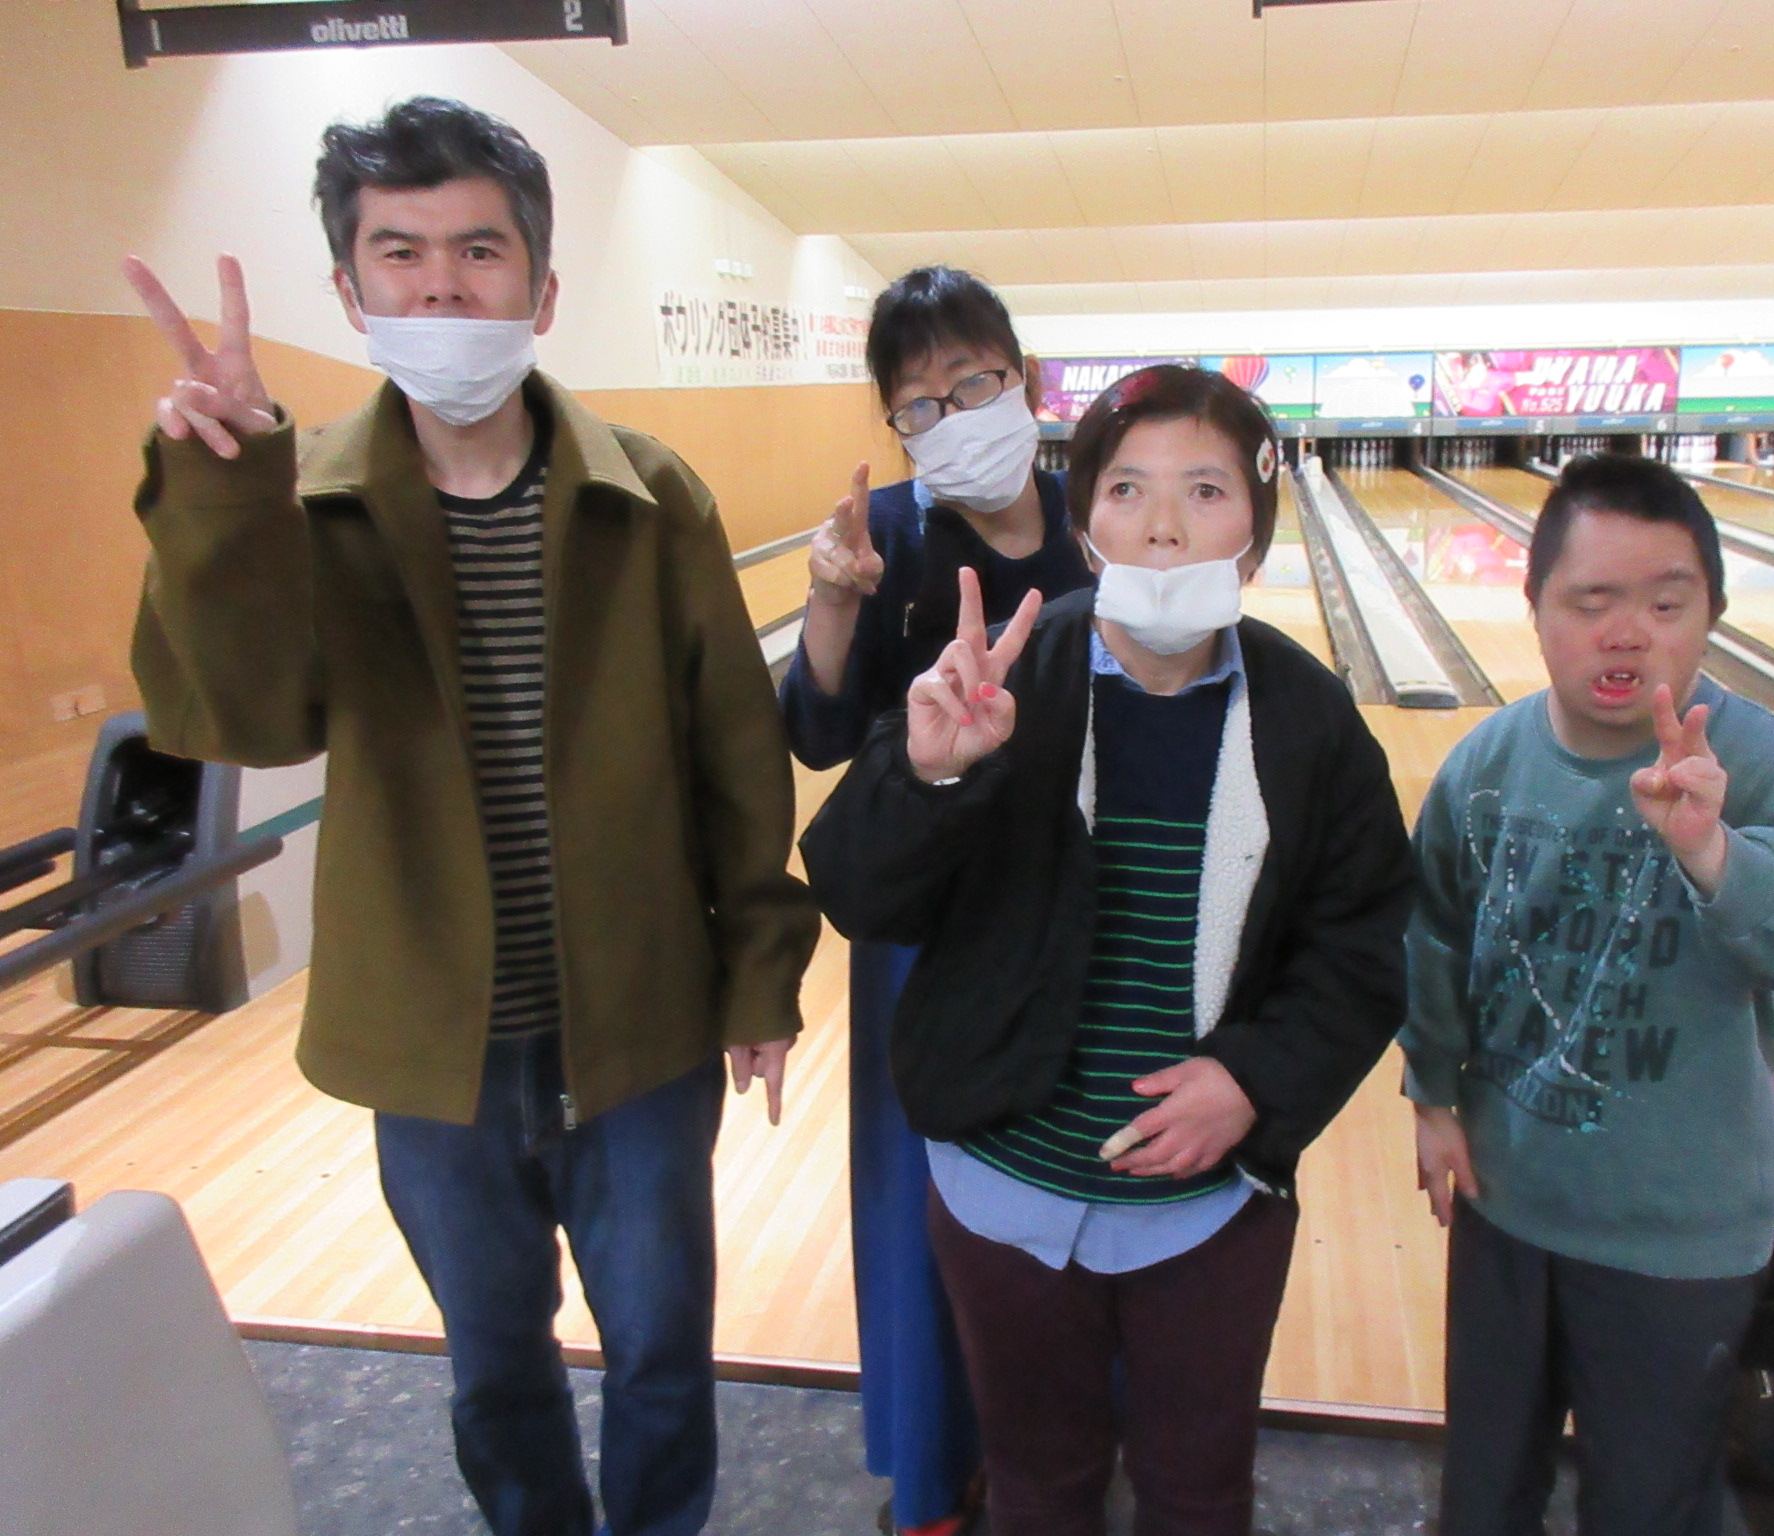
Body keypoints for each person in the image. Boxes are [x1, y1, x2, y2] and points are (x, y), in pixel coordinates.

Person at [123, 97, 817, 1536]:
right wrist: (221, 493)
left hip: (641, 1023)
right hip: (432, 1041)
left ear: (541, 290)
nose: (441, 286)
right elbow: (241, 720)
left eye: (480, 251)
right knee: (494, 1367)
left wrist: (762, 969)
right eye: (402, 252)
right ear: (351, 291)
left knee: (662, 1352)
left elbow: (736, 756)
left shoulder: (652, 496)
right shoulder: (304, 504)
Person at [801, 364, 1414, 1536]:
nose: (1163, 523)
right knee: (1038, 1485)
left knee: (1197, 1492)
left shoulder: (1308, 719)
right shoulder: (1002, 680)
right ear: (1085, 525)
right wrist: (928, 774)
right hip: (999, 1189)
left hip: (1209, 1208)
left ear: (1255, 535)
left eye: (1205, 490)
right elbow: (854, 891)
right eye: (1127, 488)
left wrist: (1255, 1080)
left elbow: (1364, 941)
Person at [1400, 453, 1774, 1536]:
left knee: (1647, 1507)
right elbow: (1431, 931)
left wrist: (1716, 853)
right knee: (1481, 1493)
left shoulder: (1762, 765)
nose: (1627, 633)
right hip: (1506, 1202)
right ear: (1535, 608)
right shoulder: (1485, 765)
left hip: (1678, 1234)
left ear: (1712, 610)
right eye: (1592, 602)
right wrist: (1431, 1093)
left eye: (1666, 605)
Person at [781, 266, 1094, 1536]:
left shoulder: (1097, 517)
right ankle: (932, 1480)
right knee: (919, 1220)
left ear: (1024, 378)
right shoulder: (889, 536)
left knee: (1075, 1202)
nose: (950, 416)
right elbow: (815, 734)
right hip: (923, 932)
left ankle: (1065, 1462)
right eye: (917, 403)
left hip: (1077, 914)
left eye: (971, 383)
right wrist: (830, 601)